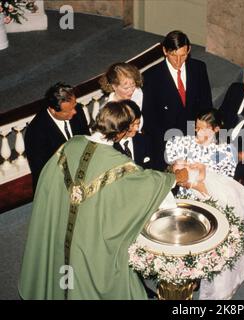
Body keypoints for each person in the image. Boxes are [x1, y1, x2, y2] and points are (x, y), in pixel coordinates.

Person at [19, 101, 188, 299]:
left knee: (61, 272)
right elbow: (145, 184)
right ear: (120, 133)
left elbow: (46, 183)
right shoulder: (120, 164)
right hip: (88, 239)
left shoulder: (69, 145)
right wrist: (175, 178)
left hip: (60, 226)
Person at [166, 109, 244, 299]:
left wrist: (197, 183)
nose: (198, 133)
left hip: (209, 202)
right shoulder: (184, 143)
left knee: (204, 241)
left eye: (204, 130)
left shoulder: (223, 152)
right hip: (186, 198)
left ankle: (200, 271)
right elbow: (174, 169)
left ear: (216, 129)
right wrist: (182, 173)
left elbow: (223, 185)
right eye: (196, 128)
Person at [142, 30, 213, 171]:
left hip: (195, 135)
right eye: (173, 56)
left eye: (183, 55)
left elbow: (206, 105)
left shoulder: (199, 68)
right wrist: (173, 146)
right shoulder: (151, 77)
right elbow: (150, 119)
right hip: (166, 140)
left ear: (189, 50)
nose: (179, 61)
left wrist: (201, 135)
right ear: (164, 51)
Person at [25, 82, 90, 191]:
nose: (74, 112)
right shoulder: (35, 133)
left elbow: (86, 140)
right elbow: (45, 172)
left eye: (74, 106)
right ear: (53, 110)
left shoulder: (76, 109)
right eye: (68, 111)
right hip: (56, 184)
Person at [113, 100, 152, 169]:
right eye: (133, 124)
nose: (137, 128)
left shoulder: (144, 140)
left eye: (138, 123)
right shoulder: (111, 147)